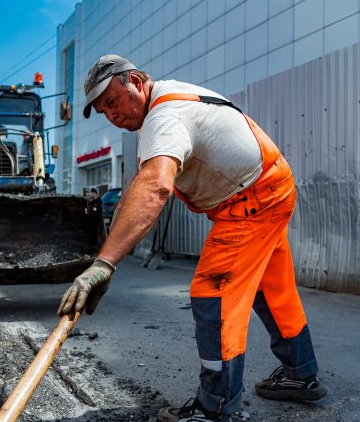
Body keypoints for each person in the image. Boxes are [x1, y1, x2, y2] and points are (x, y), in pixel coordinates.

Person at [57, 55, 327, 422]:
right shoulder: (162, 108)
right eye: (104, 110)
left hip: (252, 201)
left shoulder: (164, 117)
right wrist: (105, 258)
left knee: (213, 293)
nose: (111, 115)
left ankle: (214, 406)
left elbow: (155, 187)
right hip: (271, 184)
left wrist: (104, 265)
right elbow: (137, 190)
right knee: (271, 288)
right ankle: (301, 374)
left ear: (136, 81)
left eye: (112, 101)